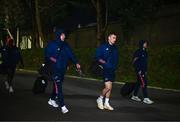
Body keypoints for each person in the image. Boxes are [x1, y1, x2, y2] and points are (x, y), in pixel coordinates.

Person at [45, 29, 81, 114]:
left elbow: (71, 54)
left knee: (57, 84)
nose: (64, 36)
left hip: (62, 69)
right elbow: (47, 54)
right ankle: (63, 106)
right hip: (55, 69)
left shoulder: (65, 45)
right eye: (62, 34)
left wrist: (76, 62)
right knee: (59, 87)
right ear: (58, 35)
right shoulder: (52, 44)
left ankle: (52, 99)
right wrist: (54, 60)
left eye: (64, 35)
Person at [96, 33, 119, 111]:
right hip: (106, 69)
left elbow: (116, 59)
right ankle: (100, 98)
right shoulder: (103, 46)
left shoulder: (115, 48)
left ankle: (106, 103)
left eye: (115, 38)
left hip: (112, 69)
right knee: (108, 87)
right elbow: (97, 57)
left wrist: (115, 67)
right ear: (109, 38)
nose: (114, 39)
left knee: (110, 87)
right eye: (113, 38)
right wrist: (104, 63)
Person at [131, 40, 154, 104]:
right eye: (145, 43)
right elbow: (134, 61)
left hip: (144, 71)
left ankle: (134, 96)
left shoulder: (145, 52)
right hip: (140, 71)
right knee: (144, 83)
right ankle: (146, 98)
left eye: (146, 43)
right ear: (141, 44)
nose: (146, 44)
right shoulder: (138, 52)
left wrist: (145, 71)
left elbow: (145, 63)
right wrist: (138, 70)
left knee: (139, 83)